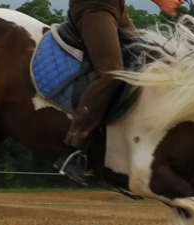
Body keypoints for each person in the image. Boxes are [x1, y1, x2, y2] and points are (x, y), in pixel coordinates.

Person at [55, 0, 184, 186]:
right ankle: (73, 148)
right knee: (110, 72)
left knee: (148, 60)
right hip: (94, 7)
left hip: (116, 7)